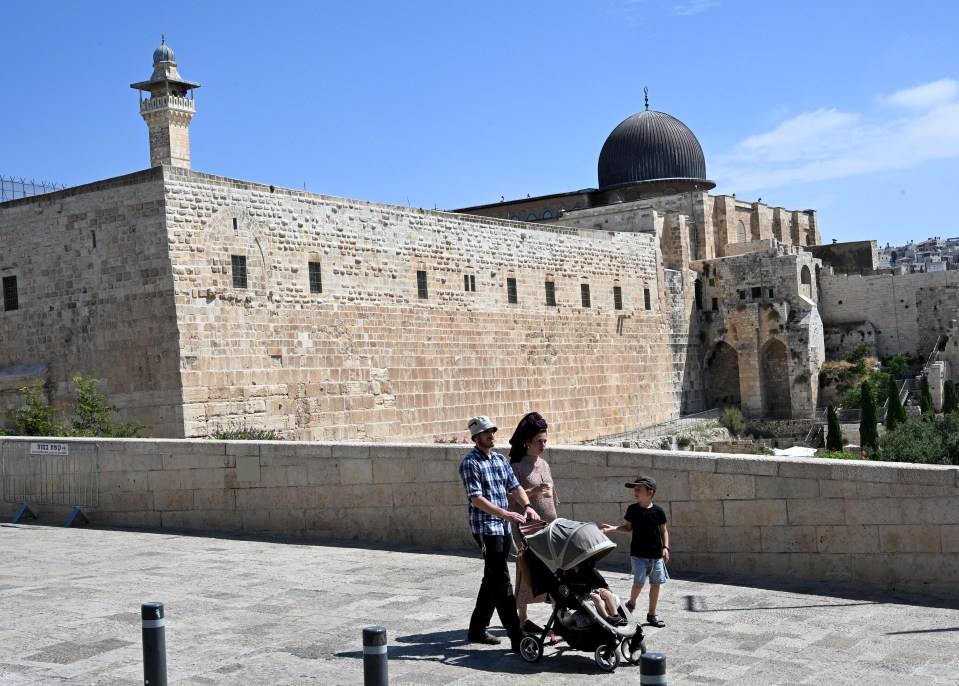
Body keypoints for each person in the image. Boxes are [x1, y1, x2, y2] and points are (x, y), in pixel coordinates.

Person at [459, 415, 541, 651]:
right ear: (475, 437)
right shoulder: (470, 463)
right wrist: (506, 515)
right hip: (486, 529)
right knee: (502, 580)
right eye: (486, 432)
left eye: (492, 431)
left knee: (492, 578)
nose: (491, 435)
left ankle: (476, 629)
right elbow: (476, 499)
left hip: (503, 527)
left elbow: (514, 486)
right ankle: (517, 635)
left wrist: (527, 506)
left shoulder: (500, 460)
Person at [507, 411, 558, 632]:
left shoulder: (544, 464)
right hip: (525, 527)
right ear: (527, 441)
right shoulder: (516, 466)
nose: (543, 446)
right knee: (527, 568)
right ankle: (523, 618)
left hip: (548, 526)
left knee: (554, 567)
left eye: (545, 441)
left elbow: (551, 493)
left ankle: (559, 612)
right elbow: (509, 496)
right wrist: (533, 490)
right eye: (539, 442)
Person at [601, 475, 669, 628]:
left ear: (650, 492)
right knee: (638, 583)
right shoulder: (632, 509)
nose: (635, 492)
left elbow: (664, 531)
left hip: (656, 556)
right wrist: (613, 528)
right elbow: (627, 527)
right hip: (638, 555)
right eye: (635, 489)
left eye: (639, 489)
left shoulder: (658, 511)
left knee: (656, 584)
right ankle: (631, 604)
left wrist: (666, 547)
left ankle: (652, 614)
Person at [565, 559, 625, 626]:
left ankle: (616, 616)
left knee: (608, 594)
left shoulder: (585, 568)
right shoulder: (567, 573)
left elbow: (600, 582)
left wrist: (604, 588)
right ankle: (607, 618)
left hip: (591, 589)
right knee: (597, 598)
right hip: (581, 593)